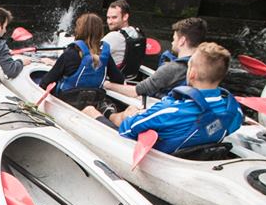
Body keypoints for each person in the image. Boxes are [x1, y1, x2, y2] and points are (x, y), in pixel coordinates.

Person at [84, 42, 243, 154]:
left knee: (91, 110)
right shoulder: (232, 109)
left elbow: (127, 129)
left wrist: (133, 115)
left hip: (159, 155)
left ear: (192, 74)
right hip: (193, 149)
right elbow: (235, 123)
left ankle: (107, 112)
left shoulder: (171, 110)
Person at [104, 17, 207, 100]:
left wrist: (107, 84)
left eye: (174, 39)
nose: (172, 43)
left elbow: (135, 91)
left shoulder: (172, 69)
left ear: (182, 41)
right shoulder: (205, 67)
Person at [38, 12, 124, 106]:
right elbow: (119, 80)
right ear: (100, 32)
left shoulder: (70, 54)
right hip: (94, 101)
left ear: (79, 30)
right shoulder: (105, 56)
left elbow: (45, 82)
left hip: (67, 101)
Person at [101, 0, 146, 77]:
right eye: (108, 18)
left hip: (110, 79)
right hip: (130, 77)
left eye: (114, 17)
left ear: (125, 17)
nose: (109, 22)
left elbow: (91, 52)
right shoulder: (137, 32)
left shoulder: (114, 36)